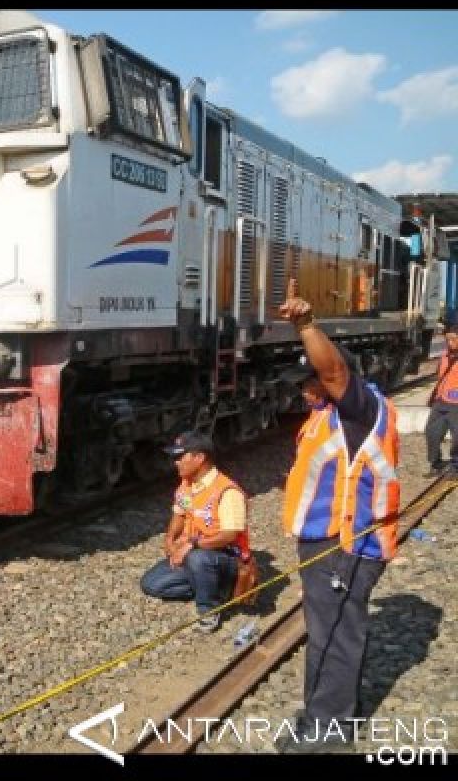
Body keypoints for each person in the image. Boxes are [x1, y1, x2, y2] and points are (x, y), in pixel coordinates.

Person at [275, 278, 399, 753]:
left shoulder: (358, 408)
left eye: (309, 384)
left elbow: (334, 375)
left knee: (336, 634)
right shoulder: (332, 417)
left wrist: (306, 325)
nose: (305, 393)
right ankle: (322, 713)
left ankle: (329, 731)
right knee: (328, 630)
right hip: (330, 542)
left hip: (346, 543)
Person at [140, 431, 251, 633]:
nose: (176, 462)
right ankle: (208, 587)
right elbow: (179, 514)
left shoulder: (227, 491)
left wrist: (191, 544)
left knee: (200, 560)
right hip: (195, 554)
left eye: (180, 457)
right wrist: (170, 540)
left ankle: (209, 611)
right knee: (151, 584)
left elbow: (229, 535)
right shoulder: (186, 486)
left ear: (199, 458)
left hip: (225, 558)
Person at [423, 322, 458, 475]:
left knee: (457, 436)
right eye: (448, 339)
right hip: (440, 401)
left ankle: (456, 466)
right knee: (431, 432)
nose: (450, 343)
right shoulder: (444, 356)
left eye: (454, 339)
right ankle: (435, 463)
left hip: (456, 404)